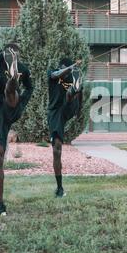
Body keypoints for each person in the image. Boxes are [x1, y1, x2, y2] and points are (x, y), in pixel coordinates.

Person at [0, 43, 33, 215]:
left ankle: (13, 80)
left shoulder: (23, 69)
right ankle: (0, 204)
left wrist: (23, 102)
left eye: (15, 54)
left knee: (11, 92)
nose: (12, 55)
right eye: (9, 53)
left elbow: (30, 87)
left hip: (12, 106)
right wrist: (4, 55)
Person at [47, 58, 83, 197]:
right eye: (62, 67)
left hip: (69, 107)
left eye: (65, 67)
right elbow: (56, 75)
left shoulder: (73, 74)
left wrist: (79, 111)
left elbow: (81, 95)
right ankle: (59, 187)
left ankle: (73, 88)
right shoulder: (53, 73)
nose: (62, 69)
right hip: (55, 112)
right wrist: (71, 67)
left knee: (73, 92)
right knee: (57, 149)